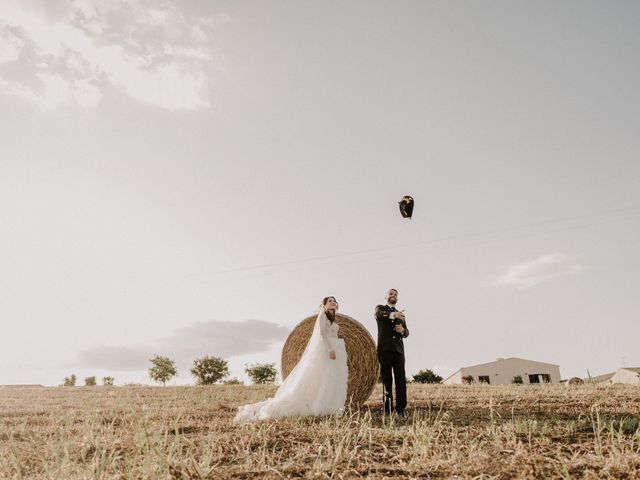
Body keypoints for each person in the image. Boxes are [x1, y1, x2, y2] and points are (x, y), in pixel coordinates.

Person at [234, 296, 348, 421]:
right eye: (329, 301)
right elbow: (321, 334)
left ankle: (331, 407)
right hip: (327, 349)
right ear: (324, 305)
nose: (332, 302)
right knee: (323, 376)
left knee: (331, 378)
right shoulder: (322, 316)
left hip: (336, 348)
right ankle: (319, 407)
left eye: (334, 301)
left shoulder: (332, 319)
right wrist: (329, 349)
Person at [375, 288, 409, 415]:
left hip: (399, 350)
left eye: (395, 294)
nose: (393, 295)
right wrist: (393, 315)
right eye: (391, 293)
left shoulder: (402, 314)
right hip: (385, 349)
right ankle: (387, 409)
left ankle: (401, 409)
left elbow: (407, 332)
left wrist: (402, 331)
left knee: (401, 380)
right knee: (387, 380)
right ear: (386, 297)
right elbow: (378, 315)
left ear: (397, 298)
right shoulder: (380, 308)